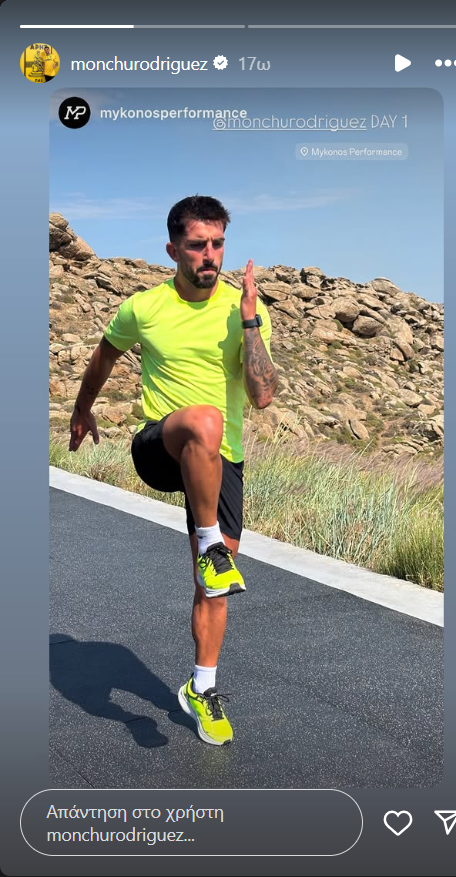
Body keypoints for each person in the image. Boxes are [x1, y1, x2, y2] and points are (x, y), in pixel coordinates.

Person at [69, 195, 278, 746]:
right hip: (159, 446)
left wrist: (251, 321)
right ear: (172, 250)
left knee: (214, 589)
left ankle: (201, 688)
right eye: (197, 245)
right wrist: (82, 408)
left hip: (220, 460)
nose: (210, 255)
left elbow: (262, 397)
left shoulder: (243, 308)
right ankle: (211, 546)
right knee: (204, 420)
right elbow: (104, 355)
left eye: (218, 244)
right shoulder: (144, 308)